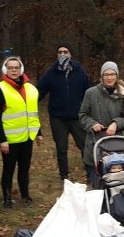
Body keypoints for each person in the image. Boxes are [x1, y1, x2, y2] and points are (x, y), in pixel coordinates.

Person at [0, 56, 43, 208]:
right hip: (10, 139)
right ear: (5, 70)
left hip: (28, 137)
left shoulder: (31, 89)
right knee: (8, 169)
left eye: (16, 67)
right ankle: (7, 199)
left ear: (21, 69)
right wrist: (2, 140)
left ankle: (25, 195)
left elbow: (33, 112)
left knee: (24, 168)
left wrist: (39, 132)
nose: (13, 70)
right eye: (10, 67)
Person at [37, 42, 91, 181]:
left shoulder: (80, 71)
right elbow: (39, 92)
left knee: (84, 145)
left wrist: (88, 111)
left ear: (70, 54)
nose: (62, 54)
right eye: (59, 52)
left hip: (77, 116)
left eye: (65, 52)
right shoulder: (51, 72)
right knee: (61, 148)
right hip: (58, 117)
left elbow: (88, 93)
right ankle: (64, 176)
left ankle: (90, 172)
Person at [79, 61, 124, 187]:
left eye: (112, 74)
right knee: (97, 185)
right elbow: (82, 115)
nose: (109, 77)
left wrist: (116, 123)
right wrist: (92, 124)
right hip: (95, 143)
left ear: (117, 76)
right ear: (102, 76)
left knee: (116, 185)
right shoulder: (91, 93)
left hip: (118, 146)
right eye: (106, 74)